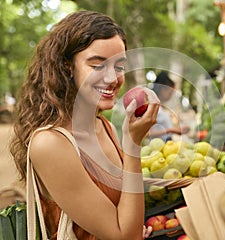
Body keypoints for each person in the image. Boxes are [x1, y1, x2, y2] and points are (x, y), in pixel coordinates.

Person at [10, 10, 160, 239]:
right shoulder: (50, 144)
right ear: (67, 68)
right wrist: (132, 145)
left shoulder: (104, 127)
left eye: (119, 67)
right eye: (97, 66)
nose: (112, 78)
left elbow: (124, 217)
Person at [148, 71, 189, 142]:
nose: (170, 96)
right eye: (170, 93)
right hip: (156, 147)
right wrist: (171, 131)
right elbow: (146, 133)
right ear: (162, 90)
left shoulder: (162, 107)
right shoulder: (151, 107)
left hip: (167, 146)